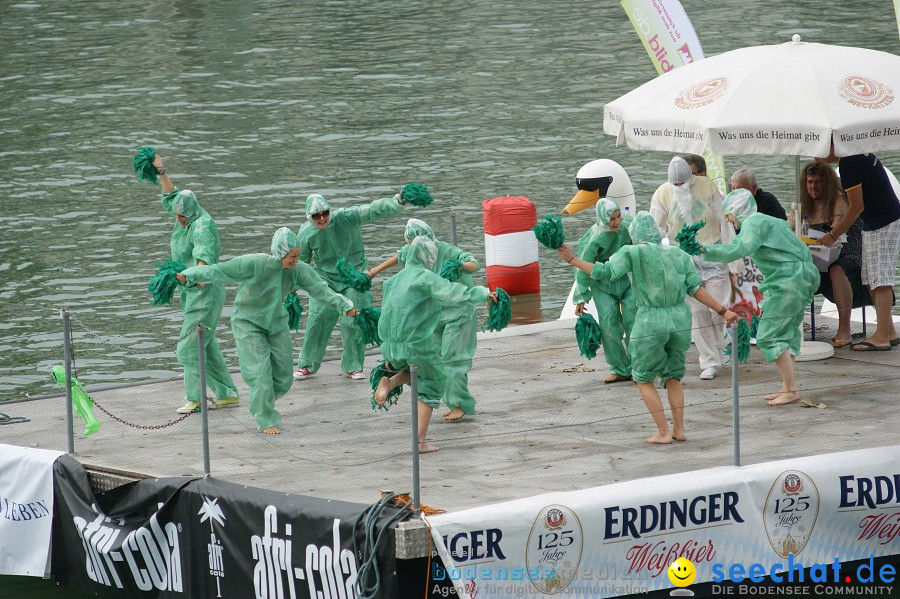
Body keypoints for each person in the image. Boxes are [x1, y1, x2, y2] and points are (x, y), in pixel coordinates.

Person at [557, 212, 738, 444]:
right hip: (679, 319)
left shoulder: (632, 252)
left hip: (650, 321)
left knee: (643, 377)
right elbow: (695, 289)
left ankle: (663, 432)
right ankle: (679, 429)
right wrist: (723, 310)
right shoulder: (679, 254)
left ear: (635, 235)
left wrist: (573, 259)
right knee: (673, 376)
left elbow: (605, 272)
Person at [177, 228, 356, 434]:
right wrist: (189, 275)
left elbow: (321, 289)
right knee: (260, 373)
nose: (296, 260)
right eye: (293, 256)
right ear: (280, 253)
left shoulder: (298, 270)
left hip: (276, 323)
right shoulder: (255, 263)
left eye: (298, 256)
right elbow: (219, 271)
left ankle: (263, 402)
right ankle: (265, 419)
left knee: (283, 379)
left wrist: (345, 306)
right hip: (247, 323)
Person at [373, 236, 498, 453]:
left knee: (416, 371)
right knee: (433, 381)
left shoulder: (394, 280)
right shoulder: (425, 277)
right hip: (415, 342)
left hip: (391, 344)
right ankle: (420, 442)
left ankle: (390, 383)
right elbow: (454, 293)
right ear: (427, 258)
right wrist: (485, 293)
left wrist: (388, 346)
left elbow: (387, 311)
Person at [702, 189, 819, 406]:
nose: (730, 221)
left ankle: (792, 389)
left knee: (768, 336)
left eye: (729, 216)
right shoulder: (770, 220)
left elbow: (736, 250)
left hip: (788, 281)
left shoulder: (753, 223)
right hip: (801, 277)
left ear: (736, 210)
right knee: (786, 333)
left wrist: (704, 250)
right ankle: (788, 385)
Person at [149, 154, 240, 415]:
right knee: (206, 346)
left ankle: (196, 397)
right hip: (191, 294)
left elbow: (204, 260)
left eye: (181, 218)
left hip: (204, 293)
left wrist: (193, 278)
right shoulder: (183, 212)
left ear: (190, 214)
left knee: (188, 349)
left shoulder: (201, 227)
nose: (178, 220)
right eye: (176, 216)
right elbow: (170, 195)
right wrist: (161, 170)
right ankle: (227, 393)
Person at [368, 219, 481, 422]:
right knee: (433, 360)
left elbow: (474, 265)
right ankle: (452, 401)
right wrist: (374, 271)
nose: (412, 246)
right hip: (434, 316)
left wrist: (459, 265)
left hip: (459, 311)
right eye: (410, 243)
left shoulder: (446, 250)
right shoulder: (416, 250)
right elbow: (397, 257)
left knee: (453, 358)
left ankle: (460, 403)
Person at [294, 192, 407, 381]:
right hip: (325, 279)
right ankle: (307, 364)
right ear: (309, 217)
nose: (322, 218)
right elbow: (301, 263)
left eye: (325, 213)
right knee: (317, 319)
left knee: (355, 319)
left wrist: (397, 201)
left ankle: (353, 365)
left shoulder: (345, 217)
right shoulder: (305, 233)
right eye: (316, 216)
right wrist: (293, 288)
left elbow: (372, 210)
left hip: (354, 274)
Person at [651, 156, 739, 380]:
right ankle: (707, 360)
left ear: (691, 178)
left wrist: (732, 259)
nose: (679, 187)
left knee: (717, 306)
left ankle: (721, 344)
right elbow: (656, 226)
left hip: (712, 253)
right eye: (676, 184)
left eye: (683, 183)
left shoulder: (707, 186)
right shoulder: (662, 193)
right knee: (697, 311)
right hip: (683, 258)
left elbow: (724, 222)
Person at [817, 146, 900, 351]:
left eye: (818, 148)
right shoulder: (855, 154)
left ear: (831, 145)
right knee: (872, 279)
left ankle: (881, 337)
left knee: (879, 280)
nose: (815, 155)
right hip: (878, 220)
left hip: (883, 221)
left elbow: (856, 206)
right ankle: (888, 331)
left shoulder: (849, 163)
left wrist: (834, 235)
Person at [794, 161, 868, 348]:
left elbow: (837, 230)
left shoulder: (838, 200)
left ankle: (844, 330)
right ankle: (791, 326)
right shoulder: (804, 205)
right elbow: (791, 230)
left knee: (837, 269)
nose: (813, 186)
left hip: (847, 250)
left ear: (827, 183)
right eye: (810, 182)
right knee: (792, 267)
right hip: (818, 254)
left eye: (818, 182)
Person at [571, 198, 635, 383]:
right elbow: (583, 266)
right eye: (612, 219)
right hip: (602, 283)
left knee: (634, 320)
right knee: (608, 324)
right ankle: (620, 368)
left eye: (618, 216)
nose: (616, 222)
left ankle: (638, 365)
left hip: (626, 278)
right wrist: (581, 296)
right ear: (602, 219)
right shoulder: (594, 237)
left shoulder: (628, 226)